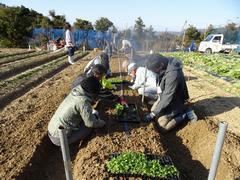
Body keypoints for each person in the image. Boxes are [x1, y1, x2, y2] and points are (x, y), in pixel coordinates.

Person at [143, 54, 198, 132]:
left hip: (175, 101)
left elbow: (168, 97)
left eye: (155, 70)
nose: (155, 72)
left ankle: (185, 113)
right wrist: (157, 103)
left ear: (161, 65)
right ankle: (164, 112)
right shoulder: (165, 64)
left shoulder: (173, 75)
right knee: (153, 110)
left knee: (162, 126)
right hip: (166, 97)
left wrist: (153, 114)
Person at [48, 76, 106, 146]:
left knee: (87, 117)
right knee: (88, 128)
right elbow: (91, 123)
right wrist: (102, 123)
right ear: (92, 93)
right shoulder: (83, 101)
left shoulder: (76, 92)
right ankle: (70, 147)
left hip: (52, 129)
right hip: (59, 138)